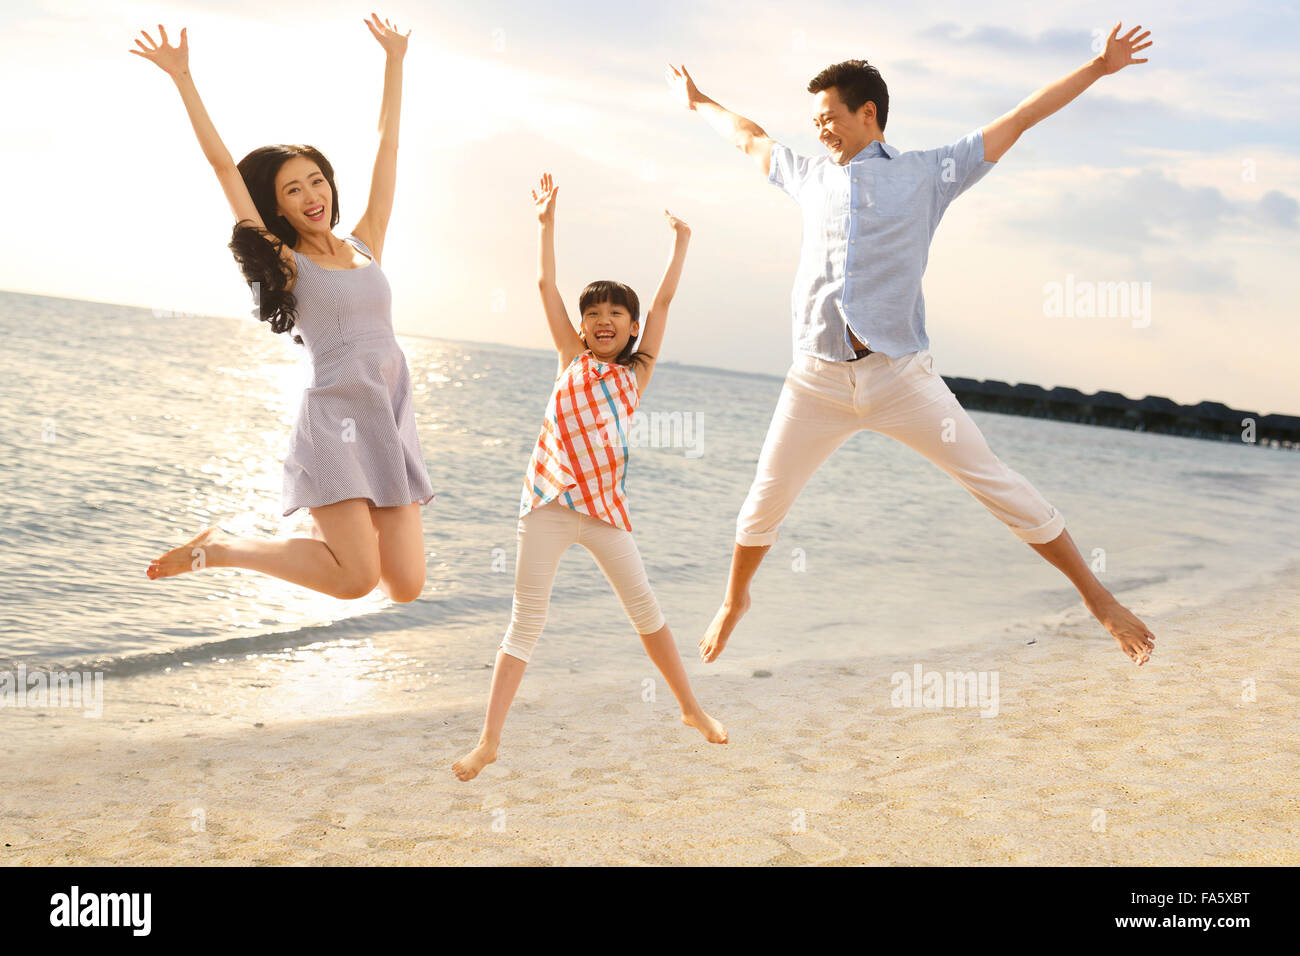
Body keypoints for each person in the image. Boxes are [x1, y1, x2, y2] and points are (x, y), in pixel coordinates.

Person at [665, 22, 1158, 666]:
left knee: (998, 485)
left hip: (900, 377)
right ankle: (735, 600)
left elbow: (1021, 118)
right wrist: (699, 101)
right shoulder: (809, 176)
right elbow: (748, 135)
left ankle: (1097, 599)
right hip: (815, 379)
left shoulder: (930, 174)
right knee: (762, 503)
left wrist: (1098, 66)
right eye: (814, 120)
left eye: (828, 116)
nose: (819, 128)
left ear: (867, 114)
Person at [133, 17, 435, 603]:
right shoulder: (286, 262)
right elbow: (225, 168)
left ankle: (308, 538)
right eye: (292, 190)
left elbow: (387, 148)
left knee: (405, 586)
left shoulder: (366, 243)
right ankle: (221, 546)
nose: (310, 195)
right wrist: (183, 78)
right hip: (332, 420)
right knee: (356, 579)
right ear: (277, 208)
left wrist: (395, 62)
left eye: (315, 181)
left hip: (389, 417)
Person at [453, 173, 727, 782]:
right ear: (581, 327)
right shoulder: (569, 358)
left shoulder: (637, 373)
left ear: (630, 327)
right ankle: (489, 740)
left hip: (604, 510)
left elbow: (663, 305)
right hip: (547, 503)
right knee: (525, 619)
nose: (605, 319)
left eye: (617, 313)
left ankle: (690, 708)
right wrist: (546, 223)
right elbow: (546, 284)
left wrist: (680, 244)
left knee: (646, 612)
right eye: (594, 313)